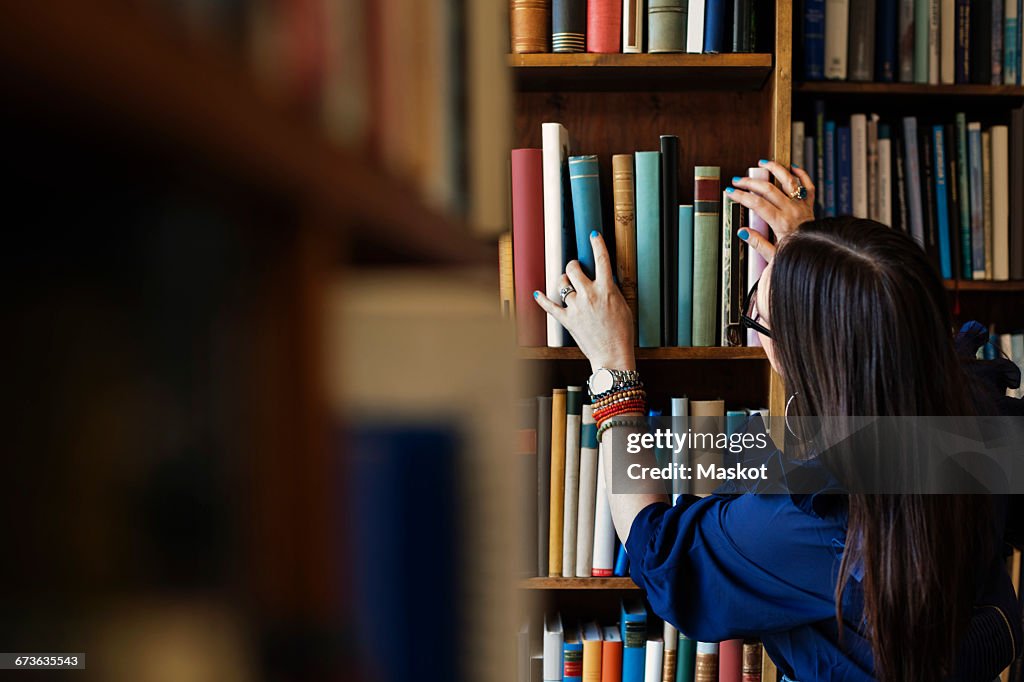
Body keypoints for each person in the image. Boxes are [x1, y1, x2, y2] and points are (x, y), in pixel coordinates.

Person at [532, 161, 1022, 681]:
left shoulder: (804, 522)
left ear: (804, 356)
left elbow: (660, 553)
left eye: (755, 315)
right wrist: (821, 267)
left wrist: (613, 369)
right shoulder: (980, 414)